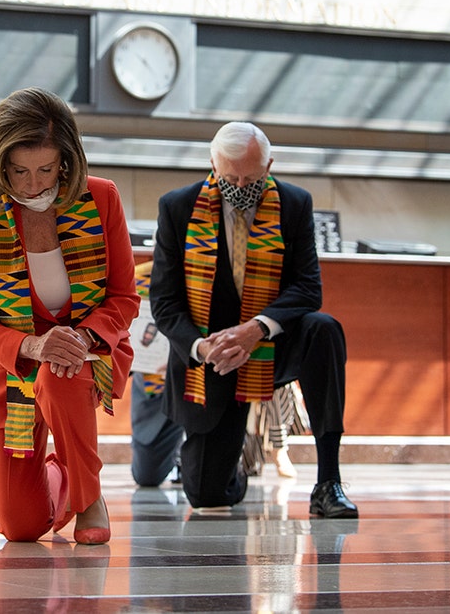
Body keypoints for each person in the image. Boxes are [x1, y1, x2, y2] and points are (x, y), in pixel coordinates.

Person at [0, 87, 138, 544]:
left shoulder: (102, 198)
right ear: (0, 163)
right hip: (12, 366)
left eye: (46, 170)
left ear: (67, 162)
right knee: (21, 527)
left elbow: (124, 298)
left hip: (88, 354)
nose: (33, 185)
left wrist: (80, 339)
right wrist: (32, 345)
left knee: (58, 371)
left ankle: (89, 498)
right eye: (18, 171)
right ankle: (68, 471)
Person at [150, 121, 357, 517]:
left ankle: (328, 481)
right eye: (230, 177)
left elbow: (308, 288)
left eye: (252, 177)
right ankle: (235, 467)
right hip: (213, 356)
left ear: (269, 166)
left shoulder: (295, 204)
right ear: (212, 164)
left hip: (273, 344)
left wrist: (256, 329)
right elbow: (165, 301)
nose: (241, 187)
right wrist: (201, 346)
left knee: (325, 329)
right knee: (208, 494)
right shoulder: (177, 207)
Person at [129, 260, 184, 487]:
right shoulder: (137, 279)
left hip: (205, 383)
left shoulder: (212, 274)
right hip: (155, 388)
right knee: (146, 476)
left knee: (206, 481)